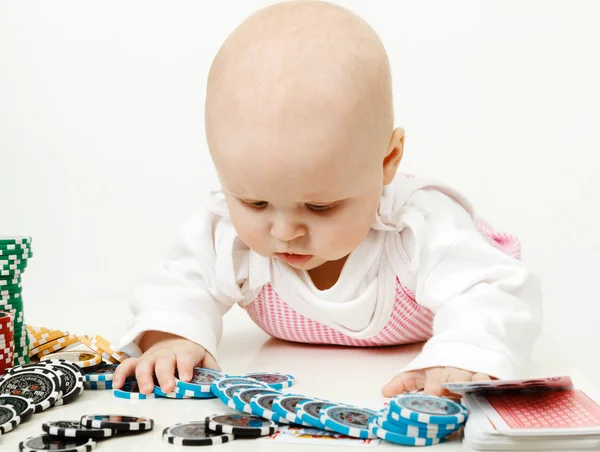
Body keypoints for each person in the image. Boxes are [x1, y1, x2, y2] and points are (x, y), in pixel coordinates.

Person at [113, 0, 542, 398]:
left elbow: (491, 290)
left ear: (386, 161)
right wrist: (172, 335)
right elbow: (178, 282)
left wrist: (465, 352)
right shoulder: (228, 232)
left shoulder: (417, 224)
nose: (283, 231)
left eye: (320, 207)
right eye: (255, 203)